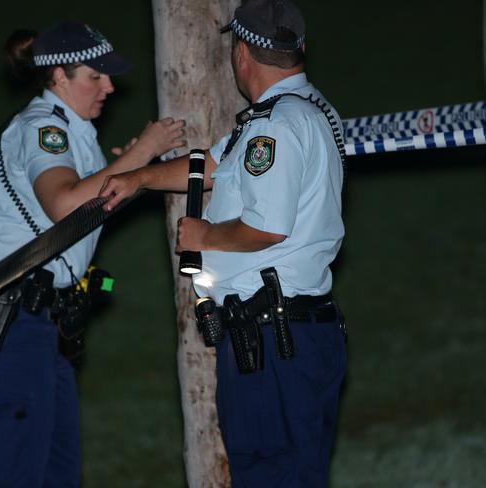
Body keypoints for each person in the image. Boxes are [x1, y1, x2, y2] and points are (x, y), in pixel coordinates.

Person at [100, 0, 347, 486]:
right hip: (280, 334)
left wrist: (204, 235)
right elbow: (209, 166)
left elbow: (267, 228)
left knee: (275, 474)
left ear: (241, 53)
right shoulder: (293, 114)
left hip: (277, 340)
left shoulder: (273, 127)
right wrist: (141, 178)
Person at [0, 21, 185, 487]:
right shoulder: (41, 128)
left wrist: (131, 170)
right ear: (58, 77)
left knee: (57, 476)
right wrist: (142, 154)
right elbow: (65, 204)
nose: (110, 87)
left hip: (37, 327)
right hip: (3, 326)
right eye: (96, 76)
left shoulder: (77, 134)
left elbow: (81, 215)